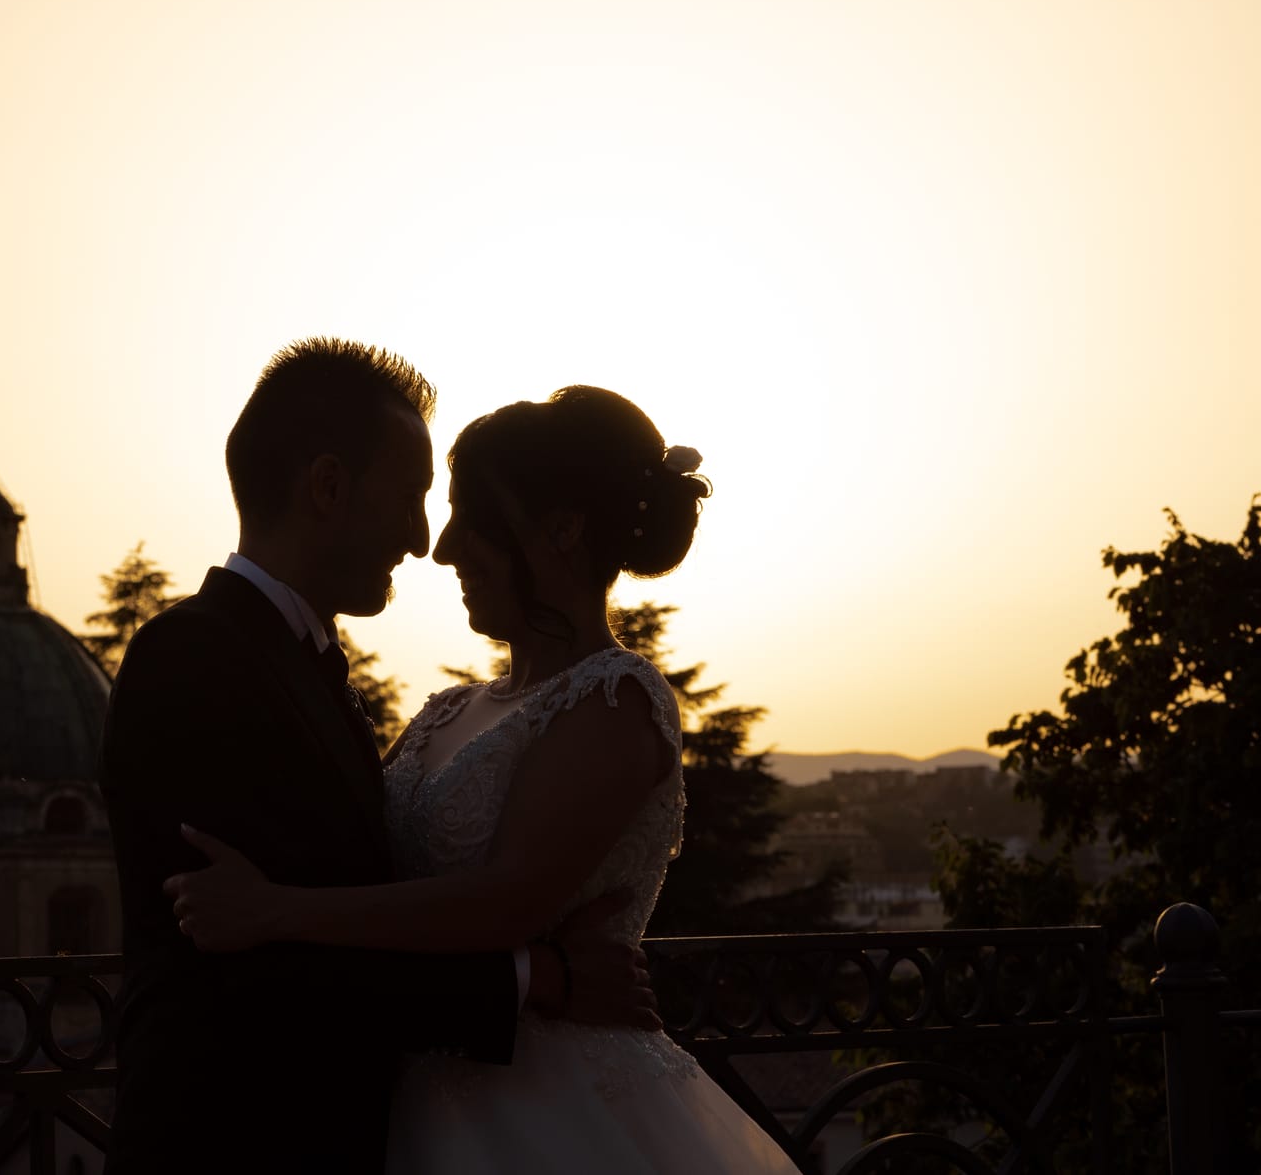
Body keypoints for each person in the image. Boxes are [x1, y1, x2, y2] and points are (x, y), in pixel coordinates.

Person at [164, 386, 804, 1173]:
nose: (444, 547)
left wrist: (278, 911)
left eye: (471, 516)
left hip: (548, 1115)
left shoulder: (616, 701)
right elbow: (366, 862)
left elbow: (504, 902)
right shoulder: (446, 710)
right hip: (398, 1099)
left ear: (562, 529)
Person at [99, 343, 661, 1175]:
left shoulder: (304, 665)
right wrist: (535, 976)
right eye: (411, 497)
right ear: (327, 487)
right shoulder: (193, 660)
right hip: (231, 1141)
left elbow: (332, 906)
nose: (424, 537)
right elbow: (253, 969)